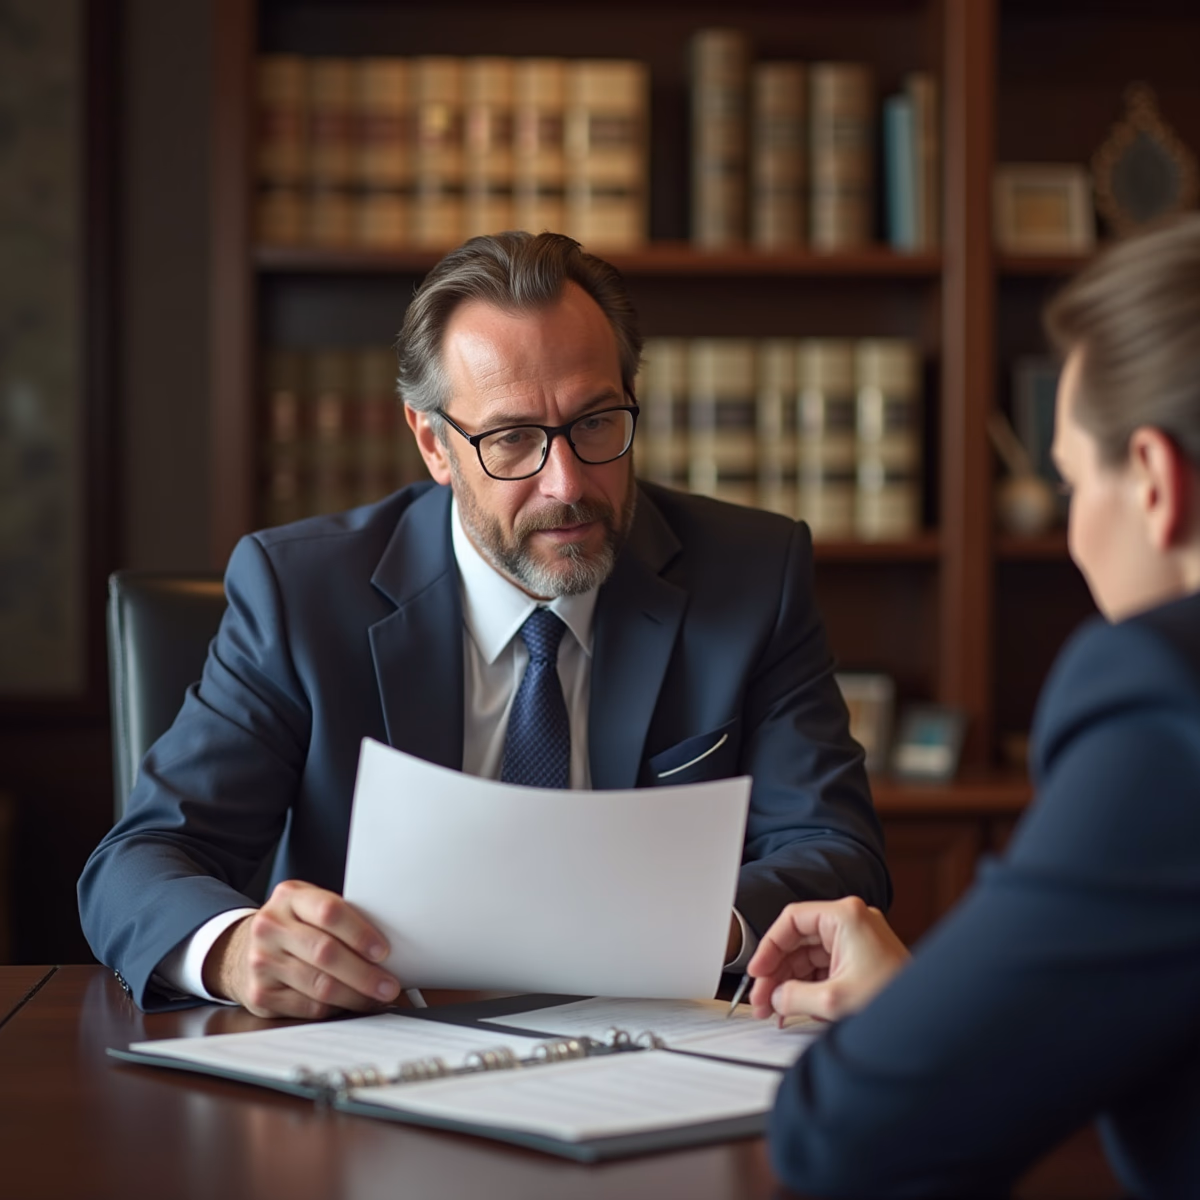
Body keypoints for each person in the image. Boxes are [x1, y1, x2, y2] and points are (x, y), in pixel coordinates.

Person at [79, 231, 890, 1016]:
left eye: (597, 422)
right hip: (374, 1054)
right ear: (434, 443)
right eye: (511, 439)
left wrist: (696, 925)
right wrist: (229, 949)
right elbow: (138, 863)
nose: (566, 482)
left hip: (649, 1047)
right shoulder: (300, 592)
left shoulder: (752, 573)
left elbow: (836, 851)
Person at [748, 215, 1200, 1199]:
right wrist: (939, 1010)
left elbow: (847, 1140)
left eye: (1074, 482)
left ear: (1159, 485)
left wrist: (904, 1030)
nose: (1076, 528)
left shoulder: (1165, 702)